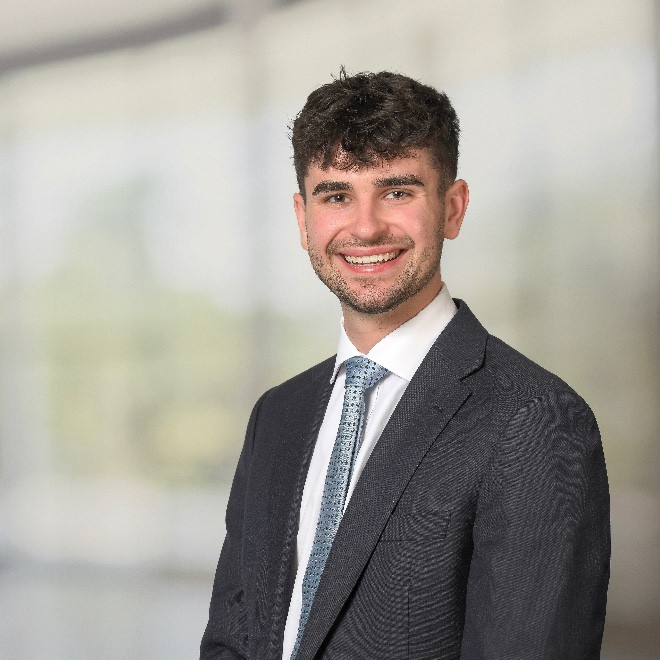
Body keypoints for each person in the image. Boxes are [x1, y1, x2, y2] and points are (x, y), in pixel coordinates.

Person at [201, 69, 610, 659]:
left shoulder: (536, 420)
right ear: (303, 218)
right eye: (336, 195)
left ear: (453, 208)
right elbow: (230, 641)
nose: (366, 226)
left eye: (397, 191)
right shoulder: (278, 415)